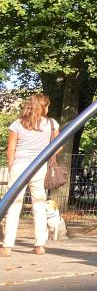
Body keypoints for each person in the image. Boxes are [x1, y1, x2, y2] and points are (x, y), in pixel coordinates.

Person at [2, 93, 59, 256]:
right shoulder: (52, 124)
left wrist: (12, 166)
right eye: (47, 106)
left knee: (13, 205)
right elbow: (58, 146)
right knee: (39, 205)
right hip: (39, 167)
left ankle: (7, 246)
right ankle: (40, 245)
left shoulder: (17, 124)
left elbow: (11, 149)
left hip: (19, 166)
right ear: (43, 107)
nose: (48, 109)